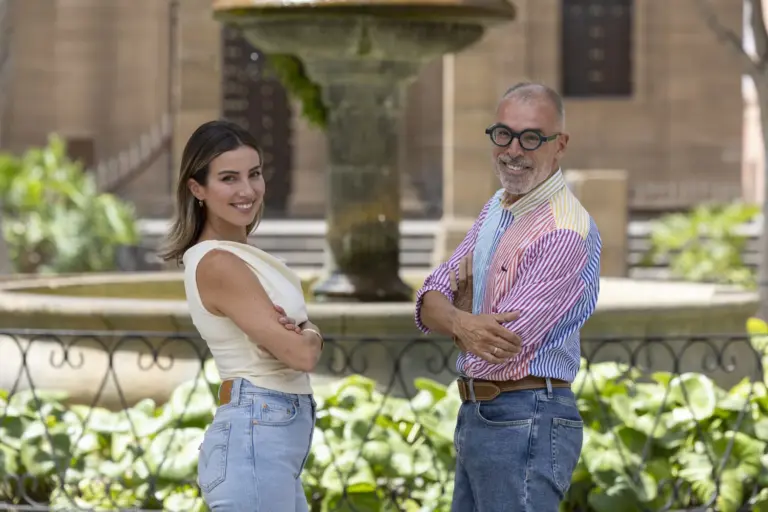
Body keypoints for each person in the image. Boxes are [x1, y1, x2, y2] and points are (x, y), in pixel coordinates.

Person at [414, 82, 602, 511]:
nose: (513, 149)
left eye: (532, 137)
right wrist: (462, 320)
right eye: (504, 134)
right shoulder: (498, 206)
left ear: (560, 145)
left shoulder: (564, 230)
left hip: (526, 417)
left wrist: (457, 314)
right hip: (484, 415)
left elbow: (499, 346)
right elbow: (430, 295)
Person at [159, 120, 324, 511]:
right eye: (229, 178)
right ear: (197, 188)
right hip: (255, 433)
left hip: (269, 438)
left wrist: (306, 333)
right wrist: (309, 335)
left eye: (254, 174)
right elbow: (301, 355)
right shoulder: (218, 263)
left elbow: (301, 342)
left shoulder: (240, 255)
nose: (247, 190)